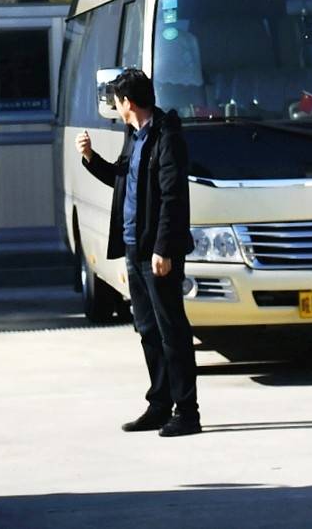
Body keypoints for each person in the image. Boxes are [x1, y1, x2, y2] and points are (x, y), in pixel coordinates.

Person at [76, 67, 198, 437]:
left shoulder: (166, 136)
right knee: (147, 328)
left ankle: (187, 412)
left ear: (128, 102)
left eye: (116, 101)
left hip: (157, 252)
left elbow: (173, 198)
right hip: (134, 246)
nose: (115, 107)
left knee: (171, 330)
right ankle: (159, 404)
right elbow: (121, 177)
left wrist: (164, 248)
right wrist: (91, 158)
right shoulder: (135, 135)